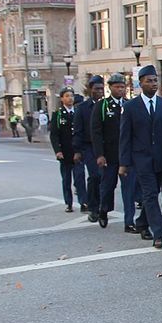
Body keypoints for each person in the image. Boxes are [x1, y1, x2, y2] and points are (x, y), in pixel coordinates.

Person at [119, 65, 162, 249]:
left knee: (154, 193)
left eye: (155, 80)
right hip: (141, 160)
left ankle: (142, 223)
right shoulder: (130, 107)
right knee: (151, 194)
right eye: (149, 81)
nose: (153, 84)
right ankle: (159, 235)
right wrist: (124, 163)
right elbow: (125, 137)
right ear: (141, 83)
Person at [91, 73, 138, 232]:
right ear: (110, 88)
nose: (120, 89)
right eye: (117, 87)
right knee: (108, 186)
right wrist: (99, 154)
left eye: (122, 86)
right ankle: (103, 210)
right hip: (109, 155)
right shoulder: (102, 105)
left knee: (129, 189)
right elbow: (96, 132)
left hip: (126, 155)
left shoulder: (129, 105)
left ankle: (129, 221)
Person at [72, 75, 105, 223]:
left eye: (101, 89)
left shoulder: (107, 106)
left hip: (106, 146)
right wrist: (77, 151)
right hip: (89, 147)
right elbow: (78, 131)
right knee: (95, 176)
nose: (99, 91)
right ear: (90, 90)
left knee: (106, 178)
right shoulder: (82, 108)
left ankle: (104, 205)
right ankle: (93, 207)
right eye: (96, 89)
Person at [49, 88, 87, 213]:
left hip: (78, 152)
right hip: (65, 152)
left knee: (80, 177)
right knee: (66, 179)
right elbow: (54, 135)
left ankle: (83, 202)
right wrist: (58, 151)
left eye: (71, 96)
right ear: (62, 99)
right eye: (67, 96)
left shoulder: (78, 112)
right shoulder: (58, 114)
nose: (70, 98)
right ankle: (68, 203)